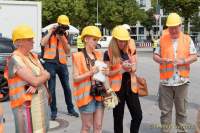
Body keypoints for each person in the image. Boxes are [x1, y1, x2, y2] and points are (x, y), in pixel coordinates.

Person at [153, 13, 197, 133]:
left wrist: (183, 61)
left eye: (175, 27)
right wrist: (162, 60)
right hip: (165, 83)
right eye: (170, 27)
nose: (172, 30)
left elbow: (194, 56)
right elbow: (155, 56)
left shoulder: (187, 39)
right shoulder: (162, 39)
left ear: (180, 26)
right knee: (165, 112)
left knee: (182, 112)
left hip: (182, 82)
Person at [4, 24, 50, 132]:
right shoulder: (14, 59)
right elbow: (37, 79)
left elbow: (44, 74)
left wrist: (38, 81)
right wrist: (39, 80)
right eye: (29, 39)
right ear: (19, 42)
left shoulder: (32, 55)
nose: (33, 41)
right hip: (23, 106)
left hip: (38, 102)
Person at [104, 25, 142, 133]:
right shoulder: (108, 53)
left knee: (138, 116)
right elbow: (107, 74)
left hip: (131, 87)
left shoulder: (129, 51)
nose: (123, 43)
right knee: (118, 119)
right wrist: (121, 69)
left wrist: (130, 68)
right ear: (114, 40)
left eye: (125, 41)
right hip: (117, 90)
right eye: (120, 41)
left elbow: (135, 68)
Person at [72, 26, 110, 133]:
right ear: (86, 39)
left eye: (97, 40)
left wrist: (106, 73)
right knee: (87, 127)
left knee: (98, 126)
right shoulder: (77, 56)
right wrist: (90, 73)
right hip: (86, 97)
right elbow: (75, 78)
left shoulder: (99, 54)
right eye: (94, 39)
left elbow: (103, 76)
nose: (96, 42)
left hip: (99, 94)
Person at [41, 15, 79, 120]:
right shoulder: (48, 32)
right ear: (58, 24)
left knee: (67, 87)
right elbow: (42, 43)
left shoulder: (65, 35)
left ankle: (70, 109)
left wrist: (62, 37)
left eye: (65, 26)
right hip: (50, 62)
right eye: (62, 26)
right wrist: (51, 32)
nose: (63, 29)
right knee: (52, 88)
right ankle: (53, 111)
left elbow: (68, 51)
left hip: (62, 63)